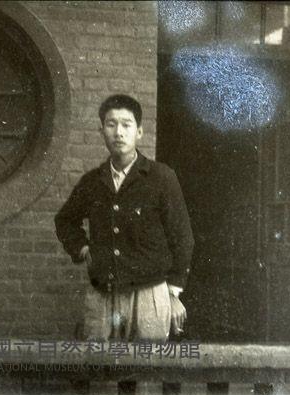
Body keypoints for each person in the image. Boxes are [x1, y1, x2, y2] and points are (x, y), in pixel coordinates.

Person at [55, 94, 194, 342]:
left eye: (126, 125)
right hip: (102, 294)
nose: (118, 132)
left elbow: (182, 236)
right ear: (102, 131)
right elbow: (65, 220)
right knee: (97, 360)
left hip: (149, 294)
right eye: (111, 124)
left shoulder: (161, 178)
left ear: (139, 132)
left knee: (146, 363)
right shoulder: (92, 182)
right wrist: (83, 249)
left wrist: (173, 293)